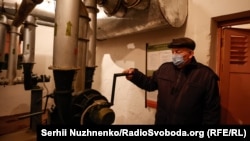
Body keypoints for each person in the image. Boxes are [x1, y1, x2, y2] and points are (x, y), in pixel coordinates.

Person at [123, 37, 221, 125]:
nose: (174, 55)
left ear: (190, 54)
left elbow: (212, 111)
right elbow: (150, 84)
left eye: (178, 52)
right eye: (173, 52)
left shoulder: (206, 75)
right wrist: (135, 75)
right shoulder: (165, 68)